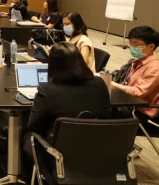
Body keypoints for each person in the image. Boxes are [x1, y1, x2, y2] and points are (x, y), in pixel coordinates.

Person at [24, 41, 110, 182]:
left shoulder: (48, 90)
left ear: (52, 64)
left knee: (27, 135)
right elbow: (106, 115)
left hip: (59, 149)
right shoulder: (100, 84)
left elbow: (33, 125)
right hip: (98, 145)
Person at [111, 26, 159, 122]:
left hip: (139, 111)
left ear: (151, 46)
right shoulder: (138, 62)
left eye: (136, 44)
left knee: (99, 106)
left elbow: (137, 93)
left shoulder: (154, 68)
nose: (132, 47)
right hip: (127, 102)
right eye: (131, 43)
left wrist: (110, 83)